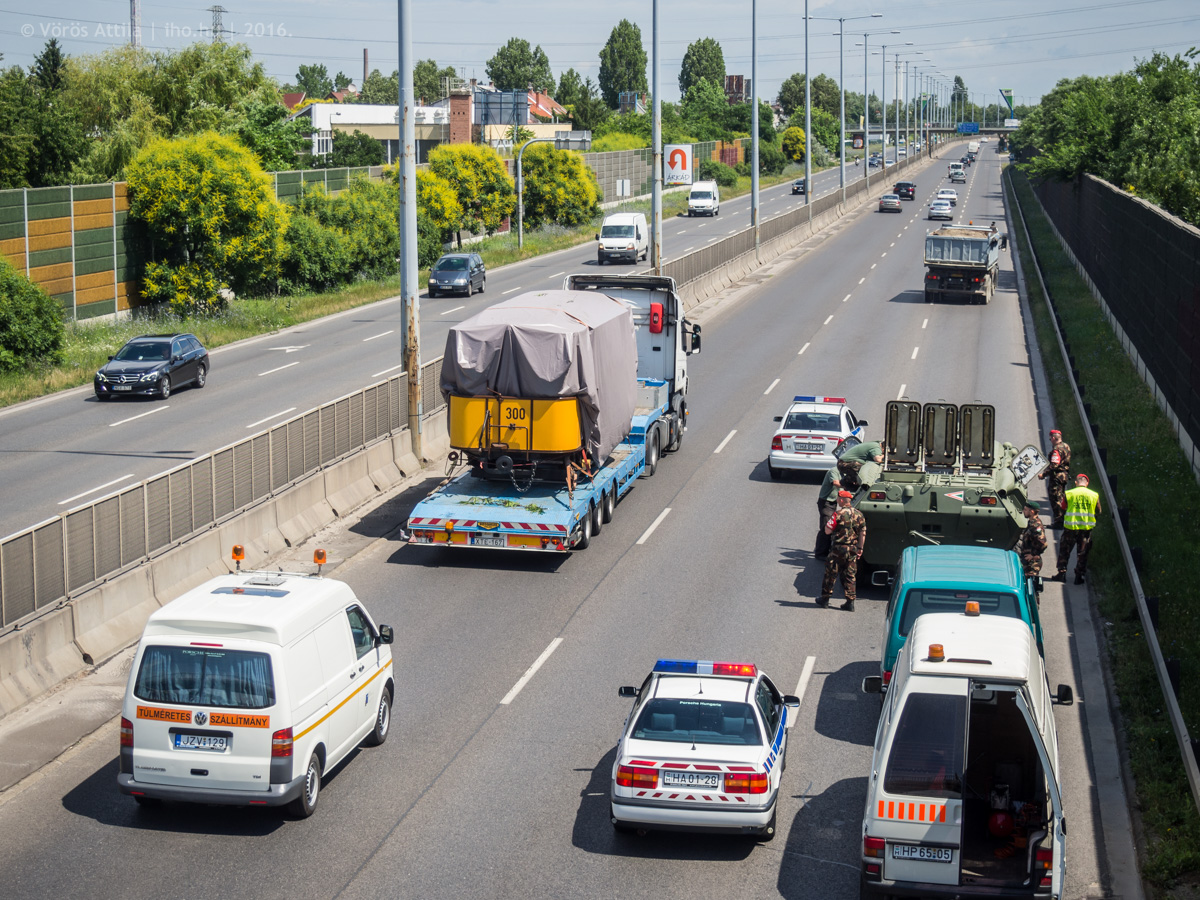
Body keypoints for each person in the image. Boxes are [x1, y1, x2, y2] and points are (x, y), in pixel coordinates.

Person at [819, 491, 867, 611]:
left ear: (841, 500)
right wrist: (860, 548)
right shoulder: (859, 515)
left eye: (838, 498)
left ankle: (825, 599)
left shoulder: (837, 514)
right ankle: (850, 602)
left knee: (831, 573)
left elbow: (827, 531)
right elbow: (863, 533)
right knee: (850, 575)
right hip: (852, 549)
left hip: (838, 549)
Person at [1052, 473, 1101, 585]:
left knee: (1065, 550)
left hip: (1070, 528)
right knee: (1082, 553)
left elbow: (1063, 507)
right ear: (1087, 483)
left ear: (1076, 482)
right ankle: (1079, 576)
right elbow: (1098, 511)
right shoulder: (1094, 495)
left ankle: (1061, 573)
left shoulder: (1069, 493)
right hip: (1085, 530)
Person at [1037, 428, 1071, 528]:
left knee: (1056, 498)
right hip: (1064, 476)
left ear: (1053, 438)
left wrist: (1044, 474)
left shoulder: (1057, 450)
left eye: (1050, 439)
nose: (1050, 441)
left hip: (1057, 477)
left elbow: (1054, 465)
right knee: (1061, 497)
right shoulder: (1066, 446)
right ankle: (1061, 520)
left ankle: (1059, 522)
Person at [1014, 499, 1048, 579]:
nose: (1023, 511)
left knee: (1030, 586)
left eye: (1025, 510)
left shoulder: (1036, 526)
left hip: (1032, 564)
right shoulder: (1031, 523)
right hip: (1027, 561)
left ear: (1032, 511)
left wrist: (1033, 554)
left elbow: (1043, 544)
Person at [814, 466, 841, 558]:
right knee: (827, 527)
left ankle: (828, 549)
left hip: (833, 502)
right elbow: (836, 483)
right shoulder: (834, 471)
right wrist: (847, 485)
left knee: (831, 526)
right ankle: (820, 553)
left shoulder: (844, 472)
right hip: (826, 502)